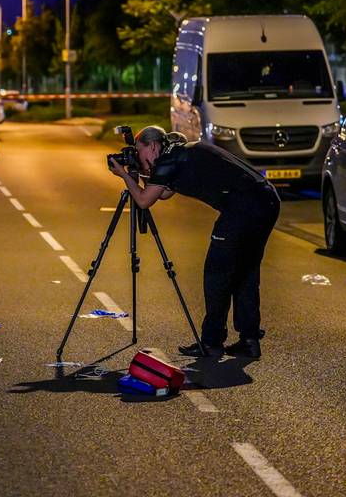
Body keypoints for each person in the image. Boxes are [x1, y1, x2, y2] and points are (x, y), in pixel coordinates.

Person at [108, 126, 279, 358]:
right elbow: (164, 192)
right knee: (245, 272)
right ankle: (249, 341)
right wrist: (141, 171)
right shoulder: (179, 152)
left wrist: (124, 175)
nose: (139, 158)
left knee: (217, 275)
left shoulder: (168, 159)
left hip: (242, 208)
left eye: (139, 152)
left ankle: (211, 342)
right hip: (266, 200)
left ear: (153, 145)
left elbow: (144, 200)